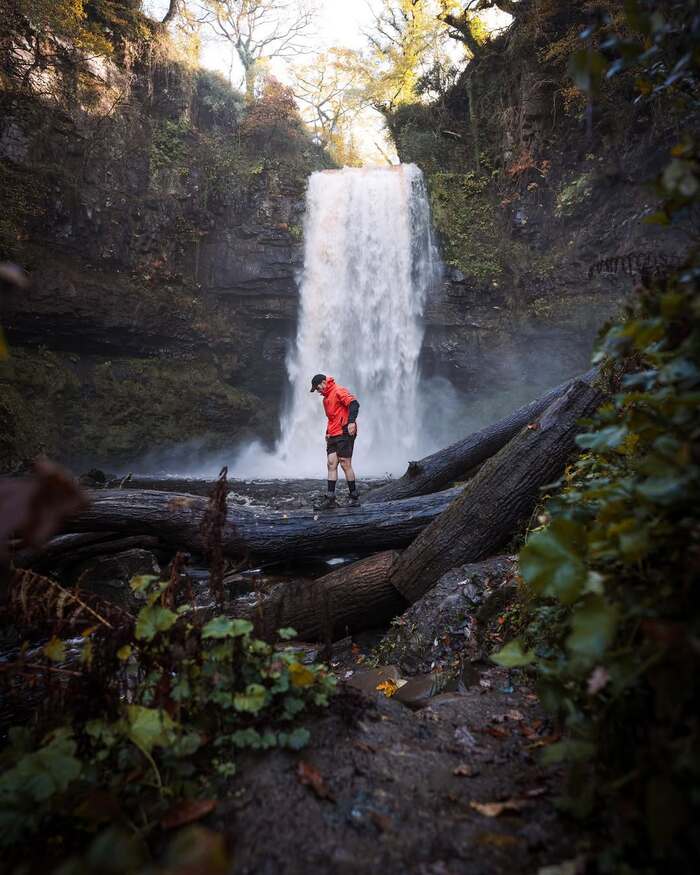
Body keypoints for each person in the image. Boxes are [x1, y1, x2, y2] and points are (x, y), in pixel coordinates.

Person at [310, 373, 360, 508]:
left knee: (345, 464)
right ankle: (330, 499)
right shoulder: (325, 399)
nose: (317, 391)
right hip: (332, 434)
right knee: (331, 464)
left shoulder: (339, 390)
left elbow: (354, 404)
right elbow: (332, 418)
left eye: (317, 387)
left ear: (323, 382)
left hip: (344, 431)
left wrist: (351, 422)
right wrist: (327, 432)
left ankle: (354, 498)